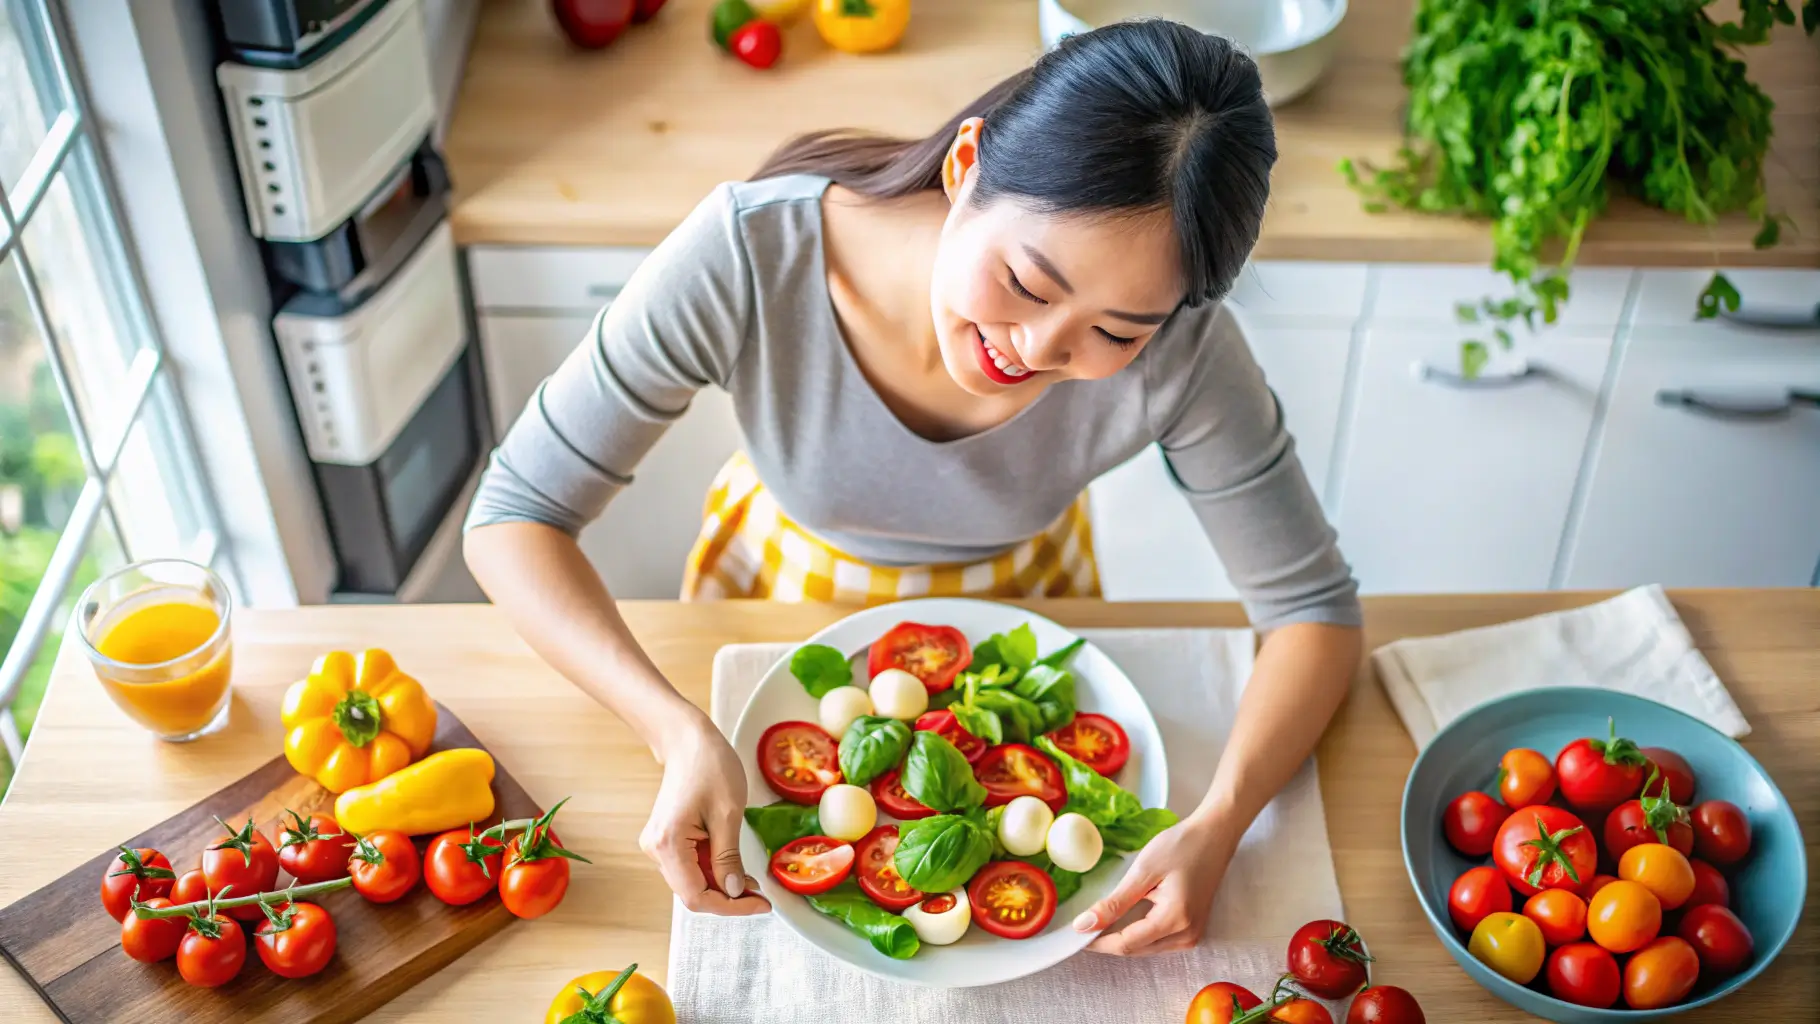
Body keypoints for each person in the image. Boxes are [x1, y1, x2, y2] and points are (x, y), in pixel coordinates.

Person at [463, 20, 1362, 956]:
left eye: (1116, 333)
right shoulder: (751, 252)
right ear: (966, 166)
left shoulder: (1185, 352)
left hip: (1027, 611)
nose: (1040, 350)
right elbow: (514, 515)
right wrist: (673, 730)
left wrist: (1220, 821)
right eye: (1026, 279)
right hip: (779, 595)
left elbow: (1314, 611)